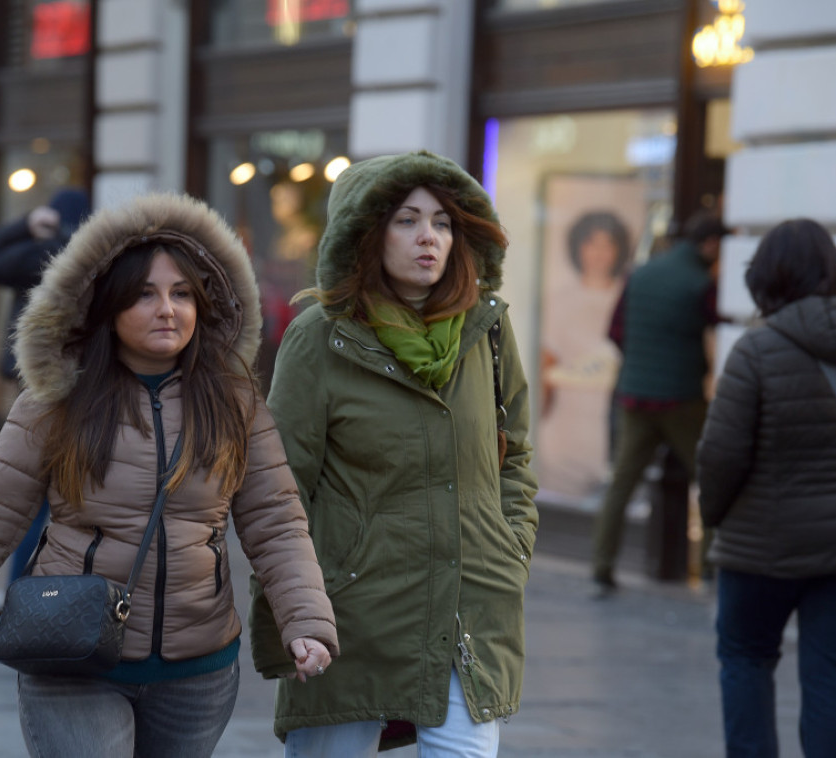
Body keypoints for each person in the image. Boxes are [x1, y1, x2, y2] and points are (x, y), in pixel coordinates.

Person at [0, 192, 338, 757]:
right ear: (107, 305)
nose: (167, 310)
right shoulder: (57, 399)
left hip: (197, 671)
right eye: (144, 295)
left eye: (181, 294)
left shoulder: (234, 401)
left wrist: (305, 621)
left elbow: (276, 522)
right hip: (74, 656)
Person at [249, 150, 539, 756]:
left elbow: (514, 454)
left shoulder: (486, 329)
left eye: (442, 221)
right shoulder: (319, 335)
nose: (428, 237)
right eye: (406, 220)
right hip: (350, 615)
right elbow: (279, 488)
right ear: (365, 232)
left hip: (468, 610)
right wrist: (295, 607)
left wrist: (510, 545)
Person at [696, 218, 836, 758]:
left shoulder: (756, 351)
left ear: (765, 277)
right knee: (835, 675)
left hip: (759, 549)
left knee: (745, 660)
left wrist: (714, 520)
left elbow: (720, 456)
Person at [0, 187, 90, 630]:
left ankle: (12, 602)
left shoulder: (42, 252)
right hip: (83, 389)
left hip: (36, 387)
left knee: (29, 497)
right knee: (58, 498)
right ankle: (27, 598)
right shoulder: (93, 261)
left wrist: (24, 225)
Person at [590, 209, 728, 595]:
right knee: (710, 478)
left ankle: (601, 566)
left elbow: (615, 332)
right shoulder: (701, 283)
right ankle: (712, 566)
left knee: (621, 484)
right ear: (710, 244)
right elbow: (720, 326)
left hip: (634, 394)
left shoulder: (641, 274)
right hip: (681, 399)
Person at [538, 210, 632, 499]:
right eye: (592, 244)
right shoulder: (559, 300)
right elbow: (544, 363)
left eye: (608, 245)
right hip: (565, 429)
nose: (600, 254)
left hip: (612, 424)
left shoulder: (628, 297)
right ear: (579, 247)